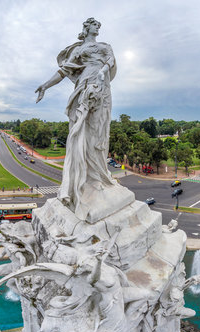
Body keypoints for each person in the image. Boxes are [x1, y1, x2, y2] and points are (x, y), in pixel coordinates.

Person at [36, 17, 116, 211]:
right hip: (84, 87)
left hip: (102, 88)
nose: (98, 27)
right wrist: (45, 85)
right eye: (94, 24)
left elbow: (111, 60)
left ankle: (98, 175)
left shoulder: (105, 46)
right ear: (86, 27)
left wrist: (103, 71)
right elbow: (63, 71)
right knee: (78, 131)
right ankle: (80, 179)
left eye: (99, 25)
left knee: (98, 131)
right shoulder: (79, 50)